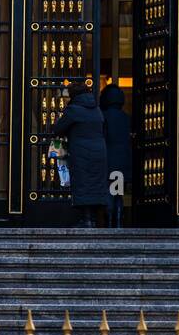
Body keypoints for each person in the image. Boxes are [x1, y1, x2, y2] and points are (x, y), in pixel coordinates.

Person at [51, 80, 108, 227]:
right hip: (99, 151)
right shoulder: (96, 109)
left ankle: (86, 219)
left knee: (82, 183)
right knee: (96, 183)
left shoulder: (73, 110)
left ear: (73, 95)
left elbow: (58, 129)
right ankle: (94, 220)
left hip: (81, 151)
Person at [99, 83, 132, 228]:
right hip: (122, 161)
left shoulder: (103, 117)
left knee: (109, 193)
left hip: (107, 160)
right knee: (118, 192)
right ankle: (118, 221)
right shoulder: (126, 118)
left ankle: (109, 221)